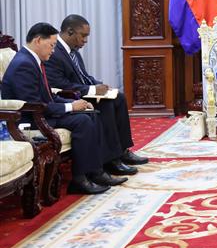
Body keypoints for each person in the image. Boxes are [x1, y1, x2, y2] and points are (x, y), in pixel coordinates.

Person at [1, 23, 125, 194]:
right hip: (29, 120)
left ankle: (96, 172)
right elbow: (34, 105)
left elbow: (48, 96)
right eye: (51, 45)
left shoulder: (32, 59)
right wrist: (70, 106)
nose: (53, 50)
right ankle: (79, 180)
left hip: (41, 113)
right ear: (38, 40)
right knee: (82, 121)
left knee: (91, 114)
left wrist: (78, 103)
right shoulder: (24, 64)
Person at [45, 14, 148, 176]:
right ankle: (111, 160)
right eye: (83, 36)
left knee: (119, 97)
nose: (85, 40)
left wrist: (99, 85)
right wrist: (92, 90)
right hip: (69, 97)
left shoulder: (73, 50)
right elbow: (60, 84)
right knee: (106, 104)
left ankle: (123, 150)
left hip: (82, 92)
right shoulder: (54, 52)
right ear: (70, 32)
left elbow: (83, 76)